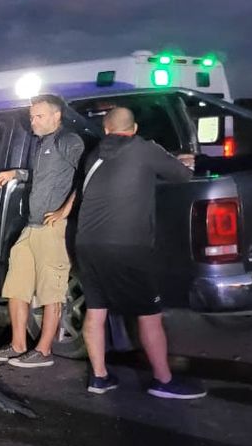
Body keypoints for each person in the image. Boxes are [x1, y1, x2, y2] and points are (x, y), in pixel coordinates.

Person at [78, 107, 203, 399]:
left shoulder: (93, 155)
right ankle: (163, 381)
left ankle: (99, 377)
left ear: (106, 129)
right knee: (149, 315)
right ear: (134, 129)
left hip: (87, 244)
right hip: (128, 246)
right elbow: (182, 176)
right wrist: (179, 161)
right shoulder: (144, 148)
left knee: (96, 311)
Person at [0, 94, 84, 368]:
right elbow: (41, 175)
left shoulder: (68, 141)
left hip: (53, 229)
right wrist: (17, 173)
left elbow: (88, 175)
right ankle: (17, 344)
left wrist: (66, 210)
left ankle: (44, 351)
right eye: (32, 116)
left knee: (52, 292)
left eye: (39, 116)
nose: (33, 121)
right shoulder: (42, 144)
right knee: (16, 286)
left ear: (56, 116)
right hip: (32, 226)